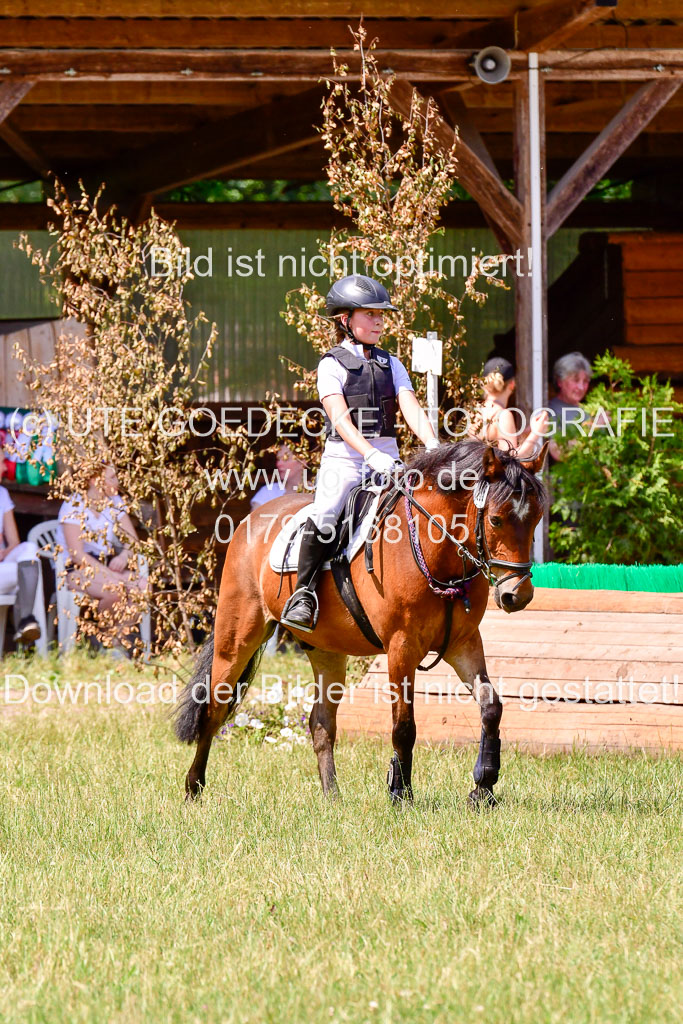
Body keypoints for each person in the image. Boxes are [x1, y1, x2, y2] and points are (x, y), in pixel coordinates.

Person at [279, 274, 439, 633]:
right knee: (326, 514)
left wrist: (432, 444)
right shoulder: (330, 364)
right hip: (346, 459)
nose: (379, 321)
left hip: (389, 455)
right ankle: (302, 595)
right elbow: (340, 418)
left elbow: (410, 407)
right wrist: (369, 454)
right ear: (345, 319)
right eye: (369, 314)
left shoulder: (391, 363)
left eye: (381, 314)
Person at [58, 464, 147, 654]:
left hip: (106, 565)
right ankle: (105, 641)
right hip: (76, 569)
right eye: (112, 477)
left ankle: (117, 643)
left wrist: (124, 556)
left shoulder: (115, 501)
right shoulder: (74, 504)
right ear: (93, 479)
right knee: (114, 589)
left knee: (143, 586)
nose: (117, 482)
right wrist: (109, 574)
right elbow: (76, 554)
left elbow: (133, 542)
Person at [0, 447, 43, 644]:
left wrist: (4, 552)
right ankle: (23, 622)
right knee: (25, 574)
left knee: (29, 548)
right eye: (1, 463)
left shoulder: (2, 494)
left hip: (4, 568)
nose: (4, 468)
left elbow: (14, 542)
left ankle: (26, 621)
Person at [471, 356, 548, 459]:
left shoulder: (474, 412)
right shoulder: (503, 415)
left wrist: (525, 433)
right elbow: (511, 459)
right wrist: (536, 433)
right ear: (512, 384)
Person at [547, 351, 593, 461]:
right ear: (559, 381)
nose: (581, 387)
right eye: (575, 380)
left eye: (585, 381)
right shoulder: (550, 411)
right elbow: (559, 452)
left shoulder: (589, 410)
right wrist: (592, 428)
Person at [250, 444, 305, 510]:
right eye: (278, 459)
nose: (278, 464)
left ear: (303, 462)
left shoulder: (317, 492)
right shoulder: (268, 492)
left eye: (285, 459)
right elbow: (255, 519)